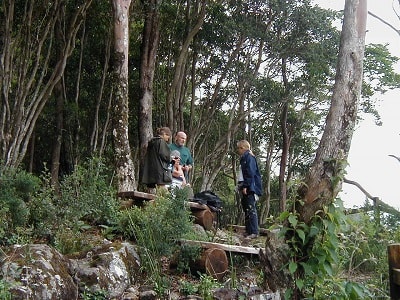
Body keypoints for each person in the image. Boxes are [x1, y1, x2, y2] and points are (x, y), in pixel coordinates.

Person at [237, 140, 263, 239]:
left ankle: (254, 232)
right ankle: (249, 230)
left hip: (250, 187)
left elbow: (250, 173)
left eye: (238, 148)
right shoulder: (245, 157)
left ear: (242, 148)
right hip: (245, 185)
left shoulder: (249, 157)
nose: (238, 151)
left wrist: (246, 186)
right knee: (246, 208)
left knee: (251, 208)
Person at [140, 127, 173, 193]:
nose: (167, 139)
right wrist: (172, 158)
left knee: (150, 191)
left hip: (150, 172)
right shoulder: (161, 142)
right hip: (159, 171)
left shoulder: (152, 142)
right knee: (163, 192)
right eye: (167, 137)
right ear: (164, 134)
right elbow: (166, 156)